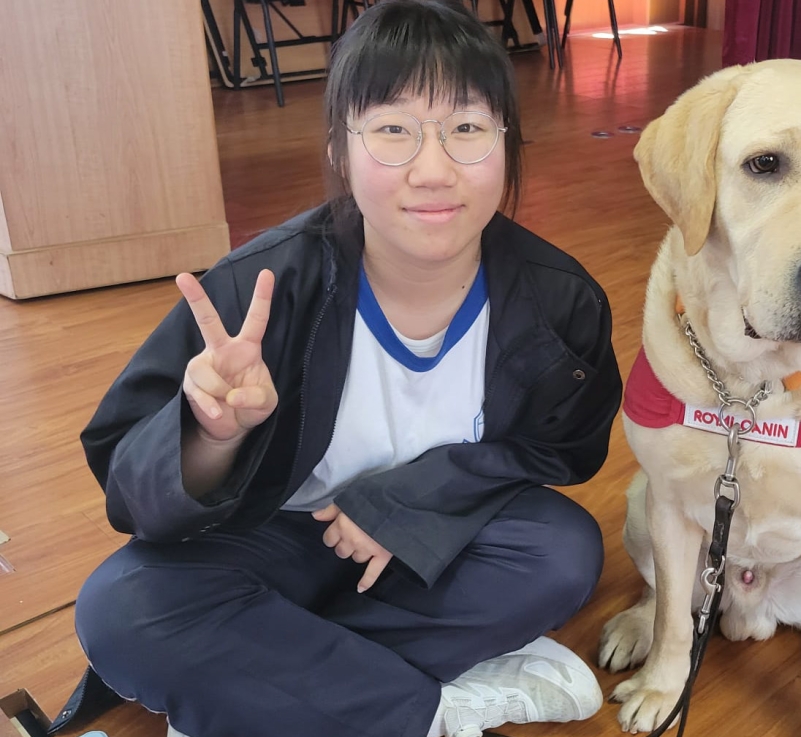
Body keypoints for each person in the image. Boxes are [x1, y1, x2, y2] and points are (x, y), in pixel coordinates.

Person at [57, 1, 623, 736]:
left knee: (558, 552)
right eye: (392, 130)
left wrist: (410, 502)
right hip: (273, 537)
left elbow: (561, 449)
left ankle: (266, 687)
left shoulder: (558, 299)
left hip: (430, 536)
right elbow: (133, 491)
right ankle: (436, 709)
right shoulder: (259, 288)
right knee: (122, 606)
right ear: (338, 148)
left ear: (508, 142)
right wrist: (210, 434)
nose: (433, 170)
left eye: (466, 128)